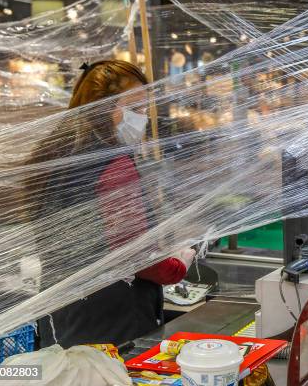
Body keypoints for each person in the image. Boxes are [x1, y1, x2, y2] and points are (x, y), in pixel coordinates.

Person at [26, 60, 195, 348]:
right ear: (104, 109)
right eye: (135, 109)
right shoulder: (114, 166)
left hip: (64, 313)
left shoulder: (54, 154)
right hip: (113, 322)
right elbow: (135, 256)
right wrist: (179, 263)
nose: (142, 119)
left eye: (144, 110)